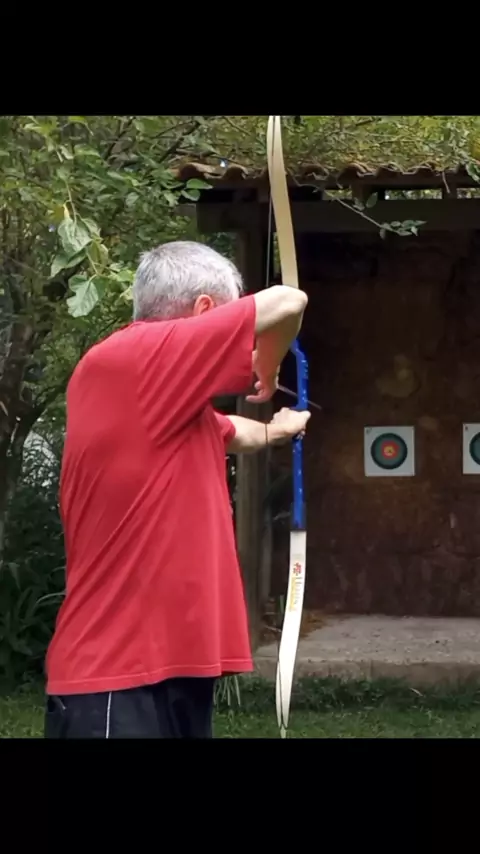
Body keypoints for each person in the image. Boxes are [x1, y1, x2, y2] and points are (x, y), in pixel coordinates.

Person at [44, 240, 310, 738]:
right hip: (116, 677)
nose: (244, 345)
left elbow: (231, 431)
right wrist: (269, 365)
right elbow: (289, 302)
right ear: (205, 312)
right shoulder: (137, 356)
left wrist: (277, 429)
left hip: (169, 672)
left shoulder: (164, 399)